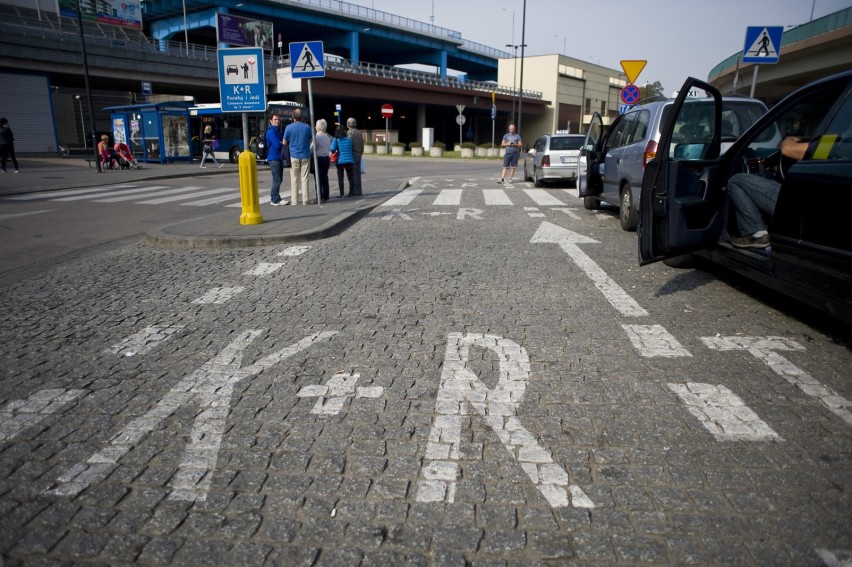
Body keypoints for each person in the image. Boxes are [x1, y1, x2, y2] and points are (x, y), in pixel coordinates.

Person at [726, 136, 809, 249]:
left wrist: (790, 138)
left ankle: (758, 234)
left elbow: (787, 149)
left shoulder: (836, 146)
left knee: (736, 180)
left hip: (800, 205)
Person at [284, 107, 313, 205]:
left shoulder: (288, 127)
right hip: (305, 155)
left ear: (293, 117)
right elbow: (310, 140)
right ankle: (305, 200)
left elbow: (285, 142)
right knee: (305, 178)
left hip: (294, 156)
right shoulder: (307, 127)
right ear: (302, 117)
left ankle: (294, 201)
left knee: (294, 178)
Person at [265, 113, 288, 206]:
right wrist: (282, 142)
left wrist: (282, 142)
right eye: (275, 119)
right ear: (271, 121)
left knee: (279, 179)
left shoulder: (278, 131)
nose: (277, 121)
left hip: (278, 157)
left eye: (278, 119)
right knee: (277, 179)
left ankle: (275, 197)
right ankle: (275, 199)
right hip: (273, 158)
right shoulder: (271, 131)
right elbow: (278, 145)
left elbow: (284, 142)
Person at [330, 126, 355, 197]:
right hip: (349, 160)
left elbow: (332, 149)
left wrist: (335, 140)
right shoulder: (349, 139)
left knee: (340, 178)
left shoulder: (337, 139)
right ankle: (351, 193)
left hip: (340, 161)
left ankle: (342, 194)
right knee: (350, 177)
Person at [312, 118, 332, 202]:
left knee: (318, 178)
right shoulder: (328, 137)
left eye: (316, 126)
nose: (315, 127)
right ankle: (326, 195)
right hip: (326, 158)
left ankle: (319, 196)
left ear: (319, 128)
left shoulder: (317, 137)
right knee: (325, 177)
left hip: (319, 158)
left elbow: (311, 148)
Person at [346, 117, 364, 196]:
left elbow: (349, 144)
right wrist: (361, 153)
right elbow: (362, 144)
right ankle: (359, 190)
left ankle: (355, 191)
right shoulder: (359, 132)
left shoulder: (350, 133)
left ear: (348, 125)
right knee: (358, 173)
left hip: (352, 154)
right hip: (359, 154)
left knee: (353, 174)